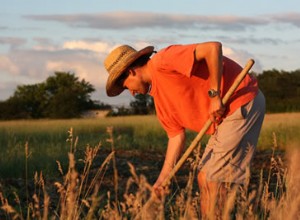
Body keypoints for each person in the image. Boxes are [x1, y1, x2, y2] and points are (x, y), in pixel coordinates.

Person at [104, 42, 265, 218]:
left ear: (131, 72)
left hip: (240, 100)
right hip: (226, 118)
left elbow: (213, 48)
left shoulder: (163, 61)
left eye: (127, 86)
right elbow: (176, 137)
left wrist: (214, 95)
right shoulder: (161, 103)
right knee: (204, 177)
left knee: (214, 180)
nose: (132, 93)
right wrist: (162, 180)